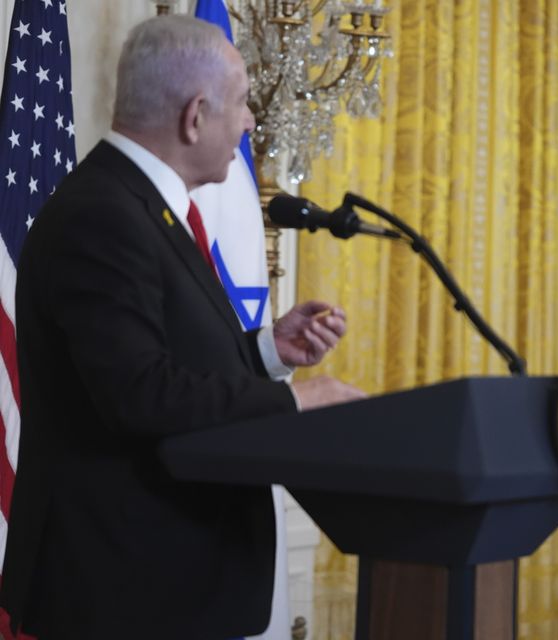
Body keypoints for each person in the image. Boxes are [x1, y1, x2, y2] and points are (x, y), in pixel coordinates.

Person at [0, 15, 365, 639]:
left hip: (159, 585)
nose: (251, 121)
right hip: (121, 590)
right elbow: (138, 394)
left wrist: (265, 351)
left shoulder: (143, 207)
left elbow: (164, 360)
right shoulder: (102, 215)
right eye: (244, 103)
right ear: (195, 116)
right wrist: (292, 400)